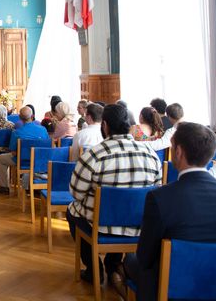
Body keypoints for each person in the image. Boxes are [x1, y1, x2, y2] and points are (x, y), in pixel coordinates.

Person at [122, 123, 216, 300]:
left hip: (174, 282)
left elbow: (145, 256)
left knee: (131, 260)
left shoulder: (159, 197)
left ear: (178, 152)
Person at [67, 104, 161, 292]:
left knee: (72, 211)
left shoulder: (94, 154)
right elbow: (156, 194)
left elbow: (76, 193)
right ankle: (114, 263)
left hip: (99, 224)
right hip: (138, 226)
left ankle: (94, 268)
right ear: (130, 125)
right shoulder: (151, 154)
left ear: (106, 126)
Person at [0, 106, 49, 195]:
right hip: (39, 160)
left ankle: (4, 187)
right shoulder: (43, 130)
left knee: (1, 158)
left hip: (22, 161)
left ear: (20, 118)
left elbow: (13, 151)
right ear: (32, 116)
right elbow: (47, 146)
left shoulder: (17, 132)